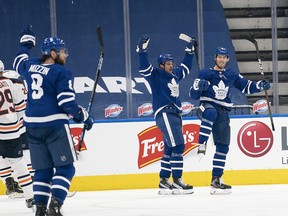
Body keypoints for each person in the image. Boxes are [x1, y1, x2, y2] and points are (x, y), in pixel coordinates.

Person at [13, 25, 94, 216]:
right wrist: (83, 117)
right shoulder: (61, 72)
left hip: (32, 126)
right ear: (52, 53)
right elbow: (66, 102)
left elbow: (18, 61)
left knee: (42, 170)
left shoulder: (31, 65)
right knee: (66, 168)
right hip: (54, 126)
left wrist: (26, 43)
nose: (66, 55)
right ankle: (55, 205)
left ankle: (40, 208)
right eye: (63, 52)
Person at [189, 46, 270, 195]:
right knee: (211, 113)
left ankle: (216, 179)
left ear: (227, 59)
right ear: (215, 58)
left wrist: (259, 85)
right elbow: (193, 94)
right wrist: (198, 86)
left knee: (223, 147)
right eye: (219, 56)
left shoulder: (232, 74)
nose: (221, 59)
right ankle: (202, 143)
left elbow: (246, 86)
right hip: (207, 107)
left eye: (224, 57)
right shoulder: (205, 73)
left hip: (223, 111)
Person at [137, 34, 197, 195]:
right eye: (168, 64)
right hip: (164, 113)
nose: (171, 66)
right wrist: (142, 51)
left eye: (172, 63)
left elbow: (185, 68)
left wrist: (189, 52)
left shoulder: (175, 74)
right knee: (178, 146)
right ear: (161, 65)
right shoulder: (155, 75)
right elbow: (144, 68)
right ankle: (177, 181)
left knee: (170, 148)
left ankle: (164, 181)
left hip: (174, 114)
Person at [0, 60, 35, 209]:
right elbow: (21, 107)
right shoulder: (11, 83)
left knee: (1, 159)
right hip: (11, 132)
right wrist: (19, 125)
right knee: (20, 165)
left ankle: (9, 182)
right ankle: (30, 198)